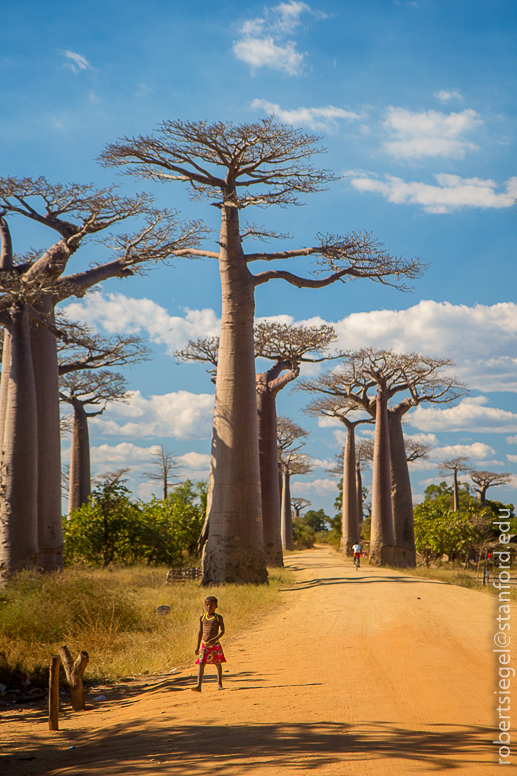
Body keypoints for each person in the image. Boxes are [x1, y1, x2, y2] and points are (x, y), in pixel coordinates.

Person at [192, 596, 226, 692]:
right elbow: (200, 632)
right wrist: (197, 647)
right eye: (207, 605)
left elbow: (222, 631)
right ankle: (199, 685)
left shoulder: (218, 618)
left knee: (218, 664)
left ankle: (219, 684)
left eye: (211, 605)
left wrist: (215, 639)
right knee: (201, 663)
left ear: (216, 606)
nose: (209, 607)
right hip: (205, 645)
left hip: (215, 645)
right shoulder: (202, 618)